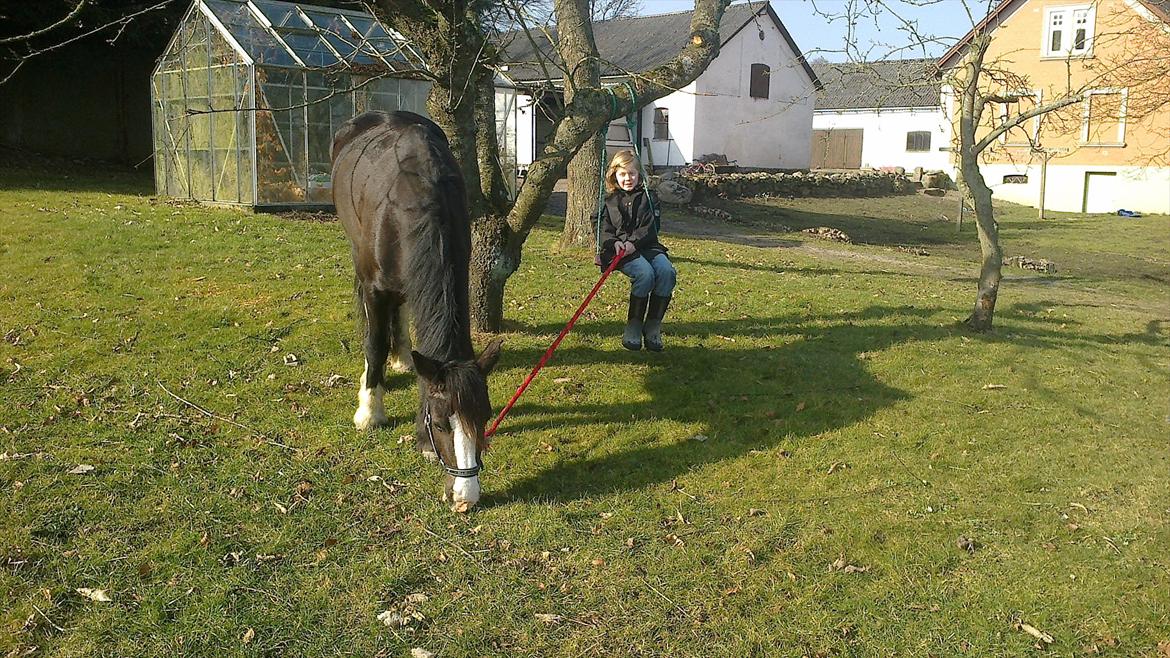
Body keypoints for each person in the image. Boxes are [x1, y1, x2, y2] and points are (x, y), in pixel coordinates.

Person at [598, 149, 676, 352]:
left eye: (632, 173)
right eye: (622, 174)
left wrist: (634, 241)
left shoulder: (648, 197)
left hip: (647, 245)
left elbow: (650, 227)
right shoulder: (607, 200)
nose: (627, 178)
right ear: (614, 175)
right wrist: (614, 243)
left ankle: (653, 325)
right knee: (645, 274)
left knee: (667, 272)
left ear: (639, 174)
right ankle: (633, 325)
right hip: (619, 250)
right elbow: (602, 228)